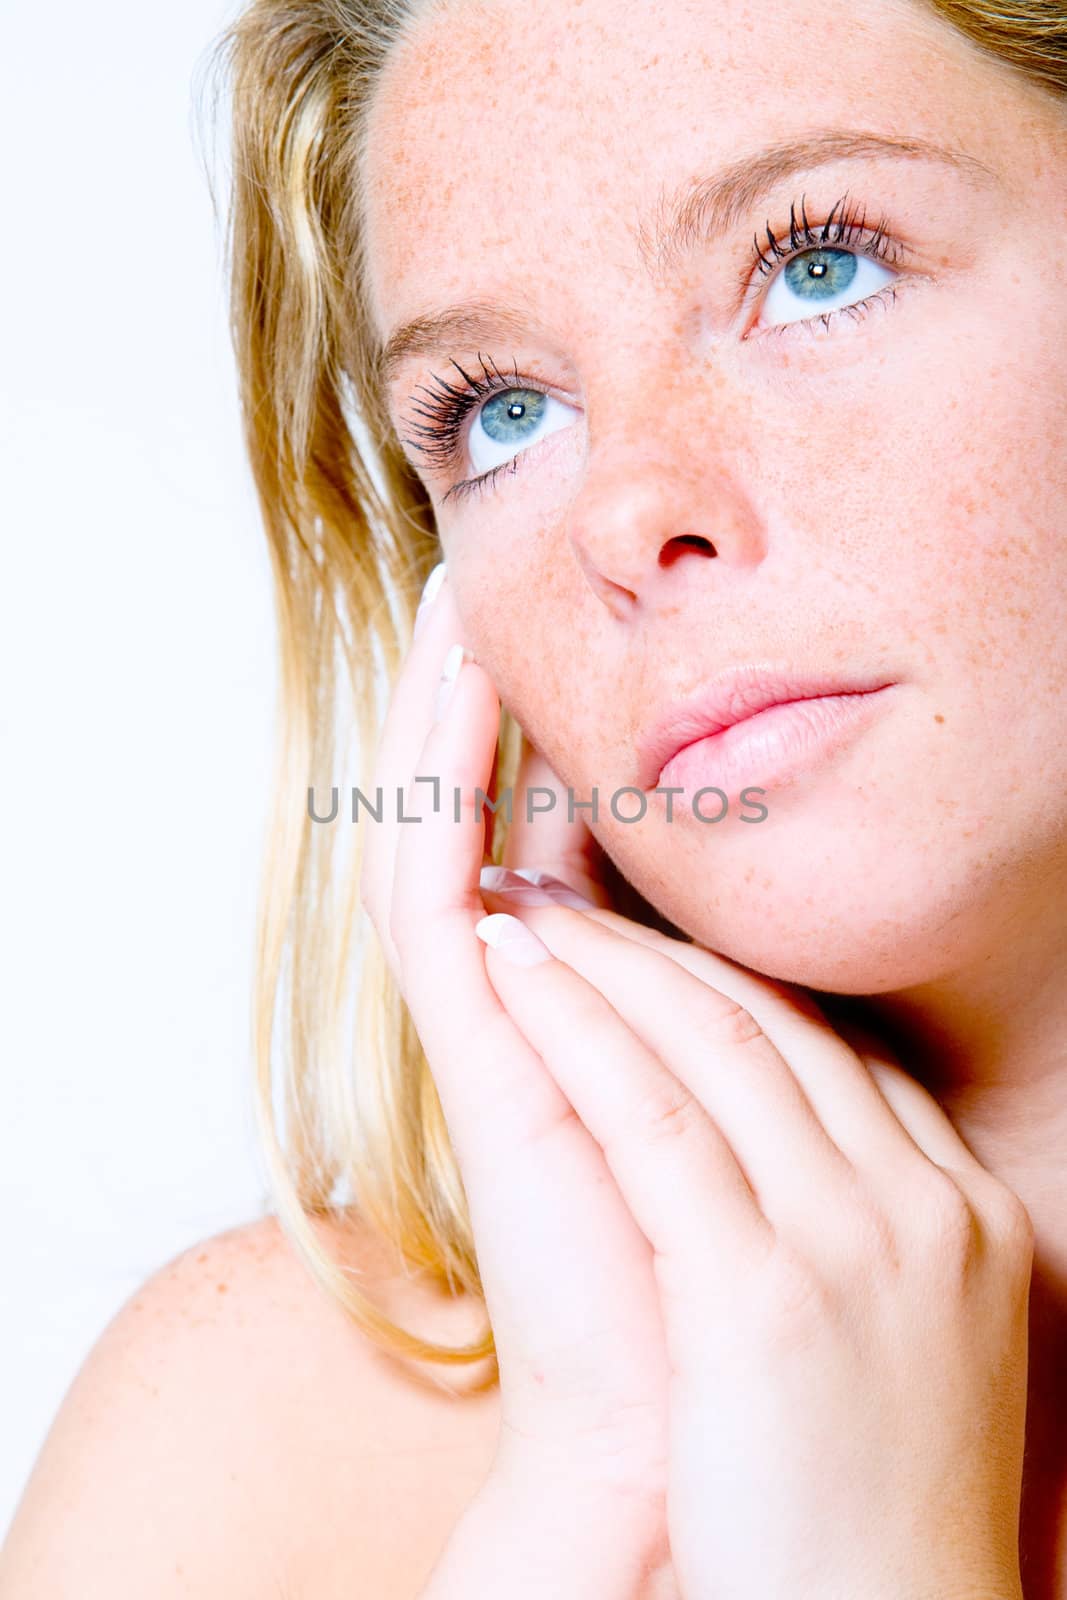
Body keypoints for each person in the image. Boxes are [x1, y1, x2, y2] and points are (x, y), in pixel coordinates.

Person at [3, 0, 1065, 1595]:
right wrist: (585, 1510)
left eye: (820, 264)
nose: (628, 508)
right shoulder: (247, 1456)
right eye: (503, 411)